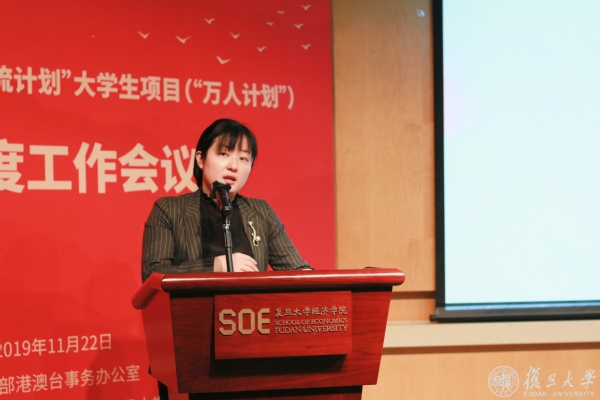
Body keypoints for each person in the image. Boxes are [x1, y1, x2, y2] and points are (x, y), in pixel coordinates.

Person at [141, 118, 312, 282]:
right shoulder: (170, 209)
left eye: (243, 158)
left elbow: (297, 270)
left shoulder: (261, 212)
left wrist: (314, 280)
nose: (234, 166)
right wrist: (217, 265)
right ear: (200, 159)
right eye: (224, 154)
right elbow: (153, 274)